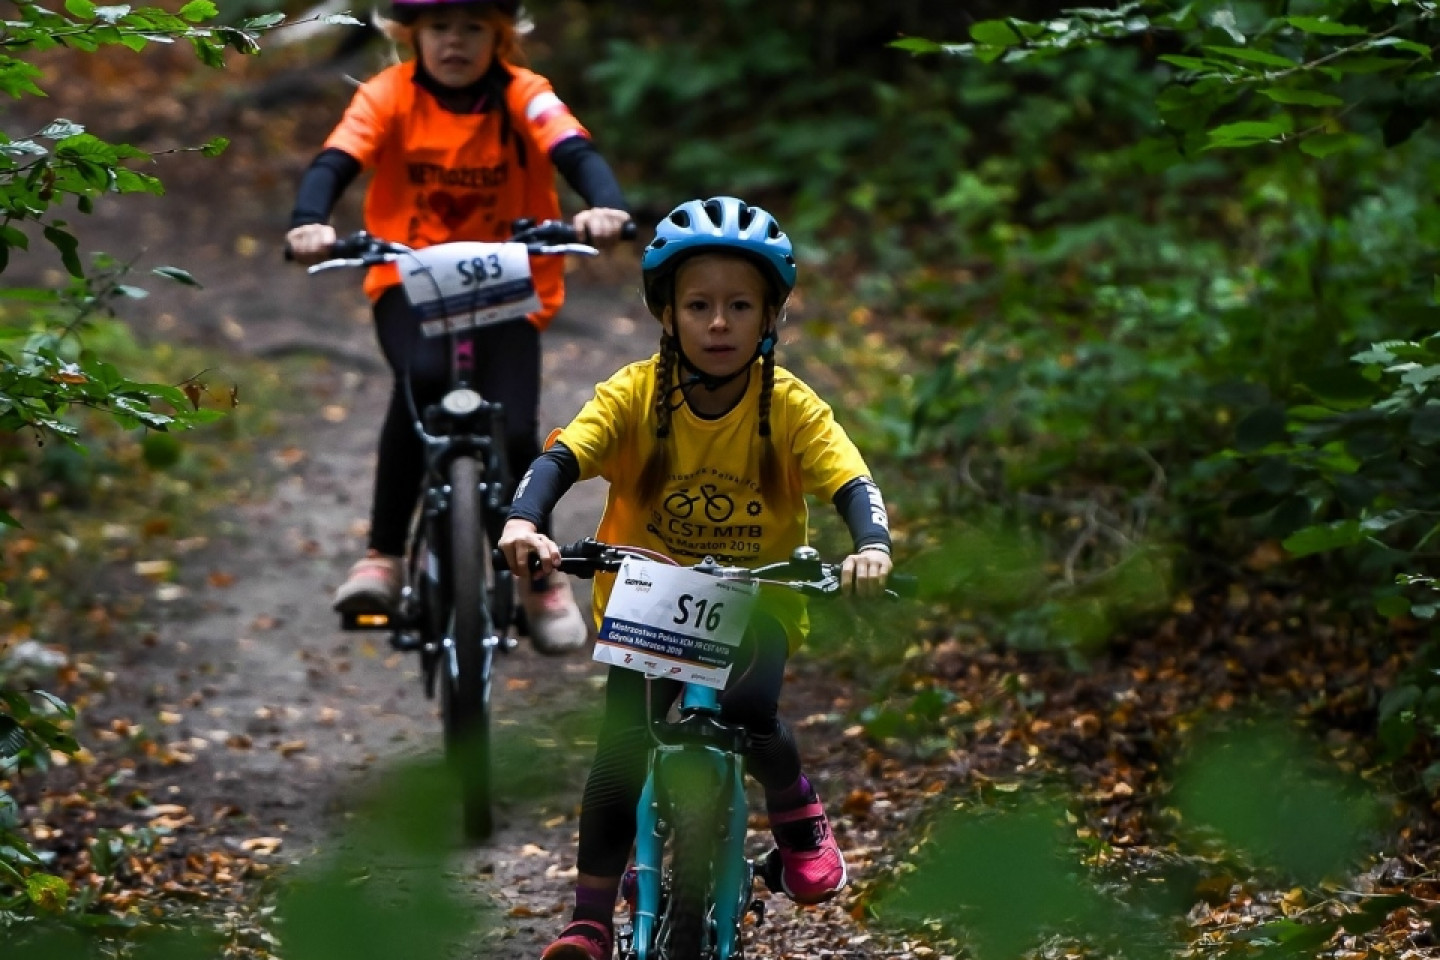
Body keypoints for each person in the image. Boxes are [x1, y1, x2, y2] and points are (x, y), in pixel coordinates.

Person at [498, 196, 894, 960]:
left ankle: (798, 820)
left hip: (756, 601)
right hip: (648, 601)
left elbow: (852, 481)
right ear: (667, 314)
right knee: (621, 749)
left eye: (739, 306)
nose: (719, 323)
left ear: (770, 316)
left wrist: (870, 545)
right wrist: (524, 521)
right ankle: (589, 919)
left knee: (749, 711)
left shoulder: (791, 407)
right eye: (699, 305)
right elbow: (561, 458)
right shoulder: (633, 394)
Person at [285, 0, 630, 654]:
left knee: (519, 426)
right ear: (411, 35)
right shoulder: (389, 94)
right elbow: (337, 157)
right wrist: (310, 220)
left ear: (499, 37)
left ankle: (539, 578)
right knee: (420, 380)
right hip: (409, 279)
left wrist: (605, 207)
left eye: (473, 28)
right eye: (440, 28)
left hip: (509, 281)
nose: (455, 42)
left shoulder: (523, 93)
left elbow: (573, 148)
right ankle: (384, 556)